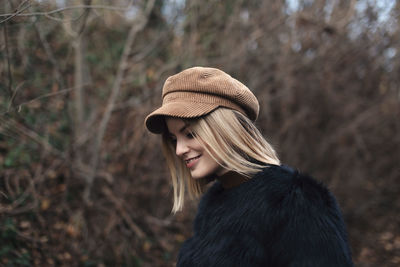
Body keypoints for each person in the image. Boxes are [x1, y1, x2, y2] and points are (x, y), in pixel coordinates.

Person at [145, 67, 354, 266]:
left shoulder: (295, 200)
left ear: (225, 128)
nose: (180, 150)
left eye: (190, 134)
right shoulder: (213, 205)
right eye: (174, 139)